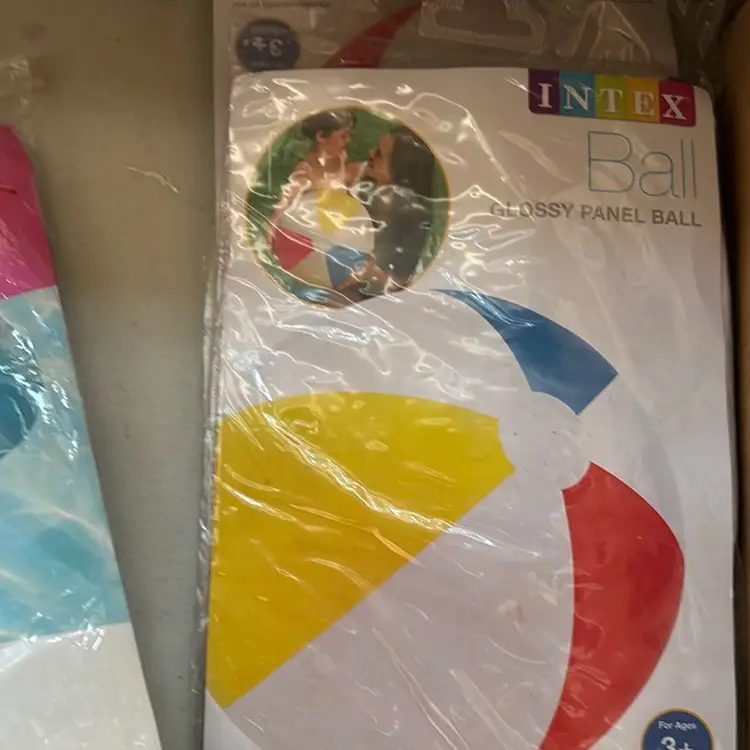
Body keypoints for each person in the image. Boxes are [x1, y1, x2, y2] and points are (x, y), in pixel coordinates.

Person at [336, 126, 438, 301]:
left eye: (378, 154)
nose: (370, 152)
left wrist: (371, 274)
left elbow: (404, 282)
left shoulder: (415, 220)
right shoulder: (361, 184)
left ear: (400, 172)